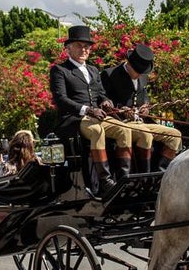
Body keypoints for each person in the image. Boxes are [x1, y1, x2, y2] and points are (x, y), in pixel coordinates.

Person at [48, 25, 132, 195]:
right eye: (79, 46)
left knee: (125, 130)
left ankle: (124, 178)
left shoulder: (93, 70)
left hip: (96, 116)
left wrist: (106, 101)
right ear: (68, 48)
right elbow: (61, 99)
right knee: (96, 131)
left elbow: (101, 94)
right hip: (73, 119)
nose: (84, 49)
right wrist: (87, 110)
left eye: (86, 46)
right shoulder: (60, 70)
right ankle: (105, 181)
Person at [101, 43, 182, 172]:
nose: (139, 75)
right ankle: (144, 176)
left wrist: (146, 107)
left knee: (175, 135)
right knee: (146, 134)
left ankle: (160, 174)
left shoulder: (143, 77)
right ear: (129, 64)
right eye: (137, 71)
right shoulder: (109, 74)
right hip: (121, 123)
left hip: (141, 122)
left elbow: (144, 97)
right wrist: (121, 110)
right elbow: (104, 101)